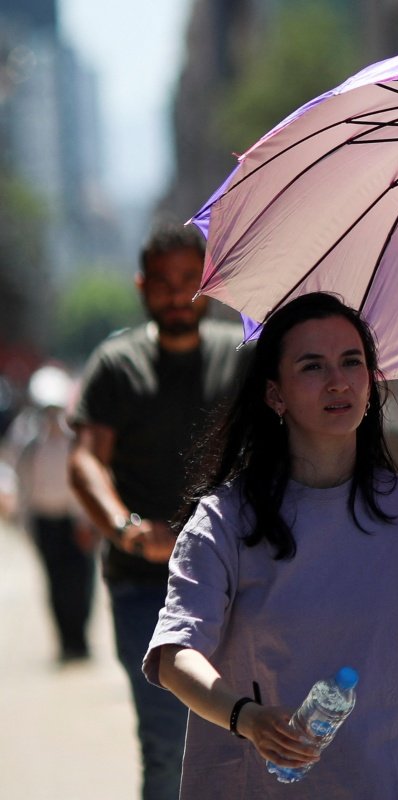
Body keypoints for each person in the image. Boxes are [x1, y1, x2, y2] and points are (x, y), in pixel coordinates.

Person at [140, 292, 398, 799]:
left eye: (352, 362)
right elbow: (175, 655)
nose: (338, 381)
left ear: (371, 382)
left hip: (386, 783)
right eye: (312, 366)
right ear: (275, 395)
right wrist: (248, 718)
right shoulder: (222, 520)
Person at [68, 223, 248, 800]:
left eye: (188, 281)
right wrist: (125, 530)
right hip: (146, 586)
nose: (176, 295)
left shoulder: (243, 357)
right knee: (167, 742)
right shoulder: (116, 365)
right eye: (163, 283)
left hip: (237, 581)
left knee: (246, 732)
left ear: (207, 284)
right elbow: (86, 463)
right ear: (142, 286)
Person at [8, 364, 95, 663]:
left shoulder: (77, 441)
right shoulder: (28, 441)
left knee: (80, 582)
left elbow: (87, 483)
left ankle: (81, 639)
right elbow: (21, 482)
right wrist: (24, 523)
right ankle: (66, 641)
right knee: (56, 583)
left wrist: (87, 521)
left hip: (75, 523)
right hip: (46, 523)